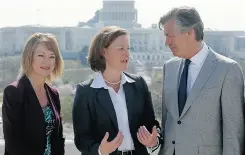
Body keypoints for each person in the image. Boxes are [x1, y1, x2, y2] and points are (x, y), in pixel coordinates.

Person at [156, 6, 245, 155]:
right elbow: (168, 122)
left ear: (190, 32)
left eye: (170, 36)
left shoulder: (227, 70)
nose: (166, 42)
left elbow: (233, 135)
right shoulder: (169, 68)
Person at [72, 26, 161, 155]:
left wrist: (153, 142)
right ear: (104, 52)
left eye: (128, 48)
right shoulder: (86, 92)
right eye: (121, 49)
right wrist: (101, 150)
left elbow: (151, 125)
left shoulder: (139, 85)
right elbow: (82, 139)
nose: (127, 53)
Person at [2, 33, 65, 155]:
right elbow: (13, 144)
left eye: (52, 56)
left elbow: (58, 139)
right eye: (41, 55)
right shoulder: (13, 92)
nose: (47, 61)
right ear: (29, 57)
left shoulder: (54, 94)